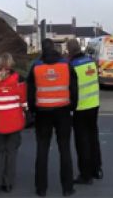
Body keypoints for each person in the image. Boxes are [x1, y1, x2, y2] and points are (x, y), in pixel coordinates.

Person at [27, 39, 77, 197]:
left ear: (42, 49)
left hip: (42, 112)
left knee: (42, 149)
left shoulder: (36, 66)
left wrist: (33, 110)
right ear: (55, 48)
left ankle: (41, 188)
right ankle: (67, 188)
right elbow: (74, 89)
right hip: (63, 111)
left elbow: (30, 92)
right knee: (65, 149)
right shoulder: (66, 65)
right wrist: (72, 107)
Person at [0, 53, 27, 196]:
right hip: (15, 122)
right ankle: (8, 183)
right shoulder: (19, 79)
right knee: (11, 153)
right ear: (11, 63)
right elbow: (24, 102)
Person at [66, 39, 103, 184]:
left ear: (69, 50)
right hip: (94, 105)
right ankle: (97, 169)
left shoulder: (72, 66)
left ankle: (85, 174)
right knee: (94, 138)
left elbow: (72, 91)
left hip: (80, 108)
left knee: (82, 143)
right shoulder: (90, 62)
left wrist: (70, 108)